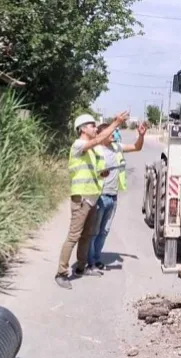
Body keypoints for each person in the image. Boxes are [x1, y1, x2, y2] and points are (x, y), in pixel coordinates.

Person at [55, 111, 129, 289]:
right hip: (81, 198)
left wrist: (101, 173)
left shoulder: (90, 151)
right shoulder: (78, 145)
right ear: (81, 129)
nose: (95, 128)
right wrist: (115, 122)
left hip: (92, 198)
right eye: (92, 125)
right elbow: (96, 141)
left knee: (87, 235)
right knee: (73, 236)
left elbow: (89, 170)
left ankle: (81, 267)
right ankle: (61, 273)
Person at [88, 122, 148, 270]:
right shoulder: (95, 150)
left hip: (113, 197)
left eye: (114, 132)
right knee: (94, 232)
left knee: (104, 231)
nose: (114, 135)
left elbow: (136, 147)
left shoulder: (116, 147)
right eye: (111, 133)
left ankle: (96, 258)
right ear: (102, 135)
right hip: (100, 196)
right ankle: (89, 262)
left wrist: (141, 136)